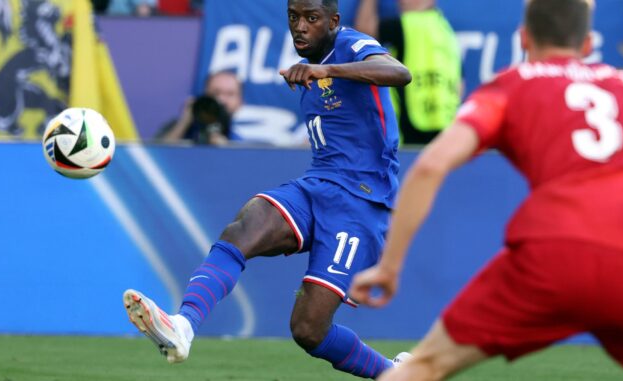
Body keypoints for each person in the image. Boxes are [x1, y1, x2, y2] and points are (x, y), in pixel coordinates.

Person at [349, 0, 623, 380]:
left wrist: (389, 267)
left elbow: (433, 164)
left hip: (550, 255)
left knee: (424, 366)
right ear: (587, 44)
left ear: (523, 38)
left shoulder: (512, 85)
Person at [124, 0, 412, 378]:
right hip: (317, 185)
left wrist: (327, 69)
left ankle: (392, 374)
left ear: (334, 21)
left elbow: (399, 72)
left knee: (308, 329)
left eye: (312, 18)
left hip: (361, 203)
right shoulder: (306, 67)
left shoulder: (352, 47)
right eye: (294, 17)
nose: (300, 27)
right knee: (243, 228)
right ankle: (183, 326)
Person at [355, 0, 461, 145]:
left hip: (407, 132)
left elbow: (363, 36)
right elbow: (460, 84)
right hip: (444, 130)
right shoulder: (444, 29)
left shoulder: (406, 24)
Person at [158, 71, 242, 145]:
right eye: (216, 93)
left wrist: (226, 151)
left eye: (230, 94)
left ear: (240, 102)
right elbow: (155, 155)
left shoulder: (240, 143)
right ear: (204, 96)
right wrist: (184, 122)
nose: (221, 100)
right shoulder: (179, 126)